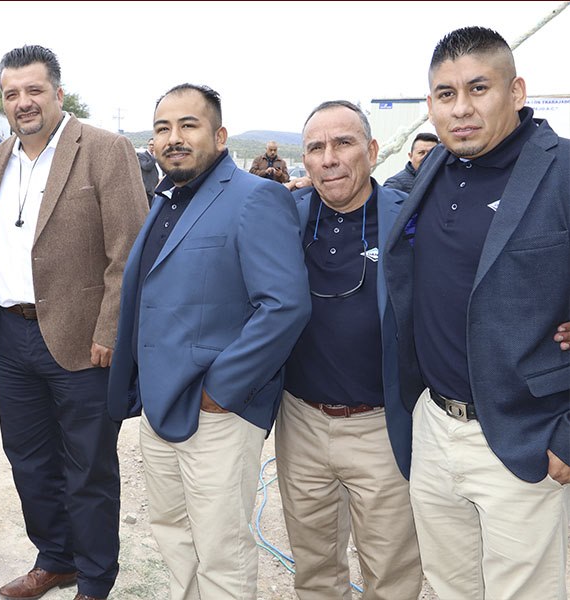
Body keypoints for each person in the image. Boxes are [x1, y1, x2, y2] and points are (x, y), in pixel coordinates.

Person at [384, 26, 570, 599]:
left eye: (478, 88)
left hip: (524, 434)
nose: (461, 108)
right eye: (446, 94)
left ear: (516, 91)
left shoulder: (562, 170)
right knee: (450, 587)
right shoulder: (435, 167)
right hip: (434, 425)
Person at [107, 83, 310, 600]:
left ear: (220, 136)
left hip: (215, 414)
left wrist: (220, 391)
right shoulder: (166, 199)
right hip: (159, 406)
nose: (173, 137)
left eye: (188, 125)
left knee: (222, 552)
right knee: (174, 535)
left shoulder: (255, 197)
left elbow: (284, 305)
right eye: (163, 128)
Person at [0, 45, 147, 600]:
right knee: (29, 460)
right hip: (13, 335)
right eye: (12, 93)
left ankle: (94, 580)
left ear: (58, 93)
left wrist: (110, 330)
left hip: (82, 340)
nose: (23, 102)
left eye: (34, 90)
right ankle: (55, 559)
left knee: (88, 468)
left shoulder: (104, 150)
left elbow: (130, 252)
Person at [278, 100, 422, 600]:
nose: (329, 158)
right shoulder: (285, 216)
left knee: (391, 571)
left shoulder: (410, 218)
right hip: (300, 420)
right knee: (314, 568)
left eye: (343, 143)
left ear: (373, 150)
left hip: (381, 425)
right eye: (315, 147)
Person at [137, 137, 160, 205]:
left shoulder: (159, 157)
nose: (152, 147)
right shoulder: (142, 155)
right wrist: (154, 157)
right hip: (148, 191)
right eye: (151, 145)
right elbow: (146, 167)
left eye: (154, 145)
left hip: (157, 188)